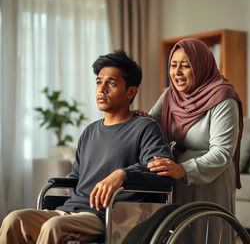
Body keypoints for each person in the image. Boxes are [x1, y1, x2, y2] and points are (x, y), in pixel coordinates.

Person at [0, 50, 173, 244]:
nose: (102, 89)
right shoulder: (89, 131)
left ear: (131, 91)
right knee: (13, 220)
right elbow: (76, 178)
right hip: (71, 210)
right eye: (99, 82)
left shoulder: (145, 127)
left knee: (54, 226)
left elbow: (160, 170)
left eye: (112, 83)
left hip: (107, 215)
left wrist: (122, 174)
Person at [144, 38, 243, 243]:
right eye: (173, 65)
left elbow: (223, 153)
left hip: (209, 181)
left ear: (200, 66)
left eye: (186, 65)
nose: (177, 72)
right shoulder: (171, 95)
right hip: (175, 178)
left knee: (206, 234)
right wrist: (136, 120)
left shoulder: (223, 98)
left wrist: (183, 170)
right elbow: (151, 124)